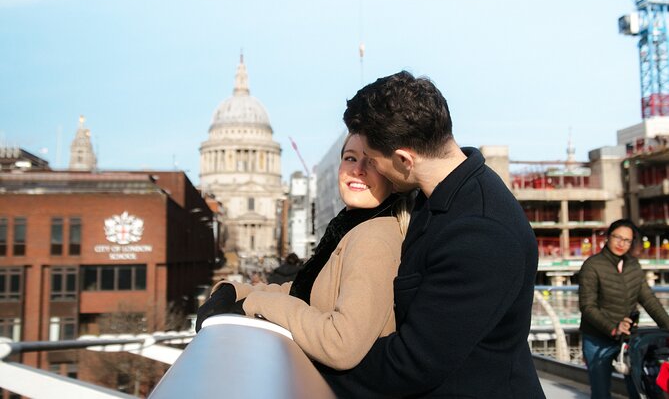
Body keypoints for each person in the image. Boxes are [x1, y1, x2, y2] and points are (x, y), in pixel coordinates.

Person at [320, 71, 545, 398]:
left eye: (374, 161)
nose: (372, 171)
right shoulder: (437, 195)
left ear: (403, 159)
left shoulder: (480, 234)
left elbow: (411, 364)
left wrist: (310, 354)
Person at [196, 133, 411, 370]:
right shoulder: (349, 228)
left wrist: (254, 302)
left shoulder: (373, 237)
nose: (358, 169)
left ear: (391, 172)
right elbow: (308, 292)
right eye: (350, 158)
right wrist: (233, 291)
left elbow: (341, 343)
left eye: (371, 160)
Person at [579, 219, 669, 399]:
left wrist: (667, 326)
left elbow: (649, 300)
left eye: (627, 240)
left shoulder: (633, 266)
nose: (621, 243)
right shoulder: (592, 265)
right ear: (608, 237)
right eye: (617, 237)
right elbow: (587, 306)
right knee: (601, 393)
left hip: (627, 339)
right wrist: (613, 327)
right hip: (597, 339)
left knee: (638, 389)